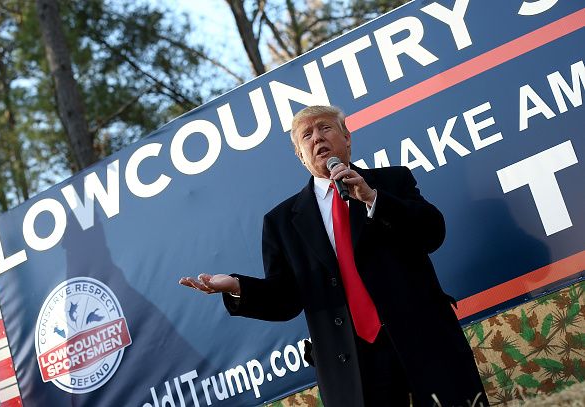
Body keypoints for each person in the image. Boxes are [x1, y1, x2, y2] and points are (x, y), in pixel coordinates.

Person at [180, 105, 488, 406]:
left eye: (325, 128)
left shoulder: (391, 182)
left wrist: (373, 199)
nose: (317, 138)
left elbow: (432, 233)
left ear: (347, 138)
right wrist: (236, 286)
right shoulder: (282, 221)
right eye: (306, 135)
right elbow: (286, 298)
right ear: (300, 155)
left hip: (425, 344)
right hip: (351, 367)